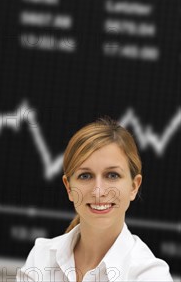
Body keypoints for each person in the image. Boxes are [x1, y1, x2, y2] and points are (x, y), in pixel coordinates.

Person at [17, 117, 173, 282]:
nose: (98, 191)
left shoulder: (150, 276)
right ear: (68, 187)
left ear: (134, 186)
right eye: (85, 176)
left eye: (112, 175)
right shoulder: (41, 258)